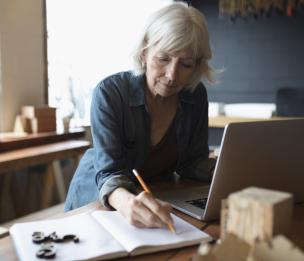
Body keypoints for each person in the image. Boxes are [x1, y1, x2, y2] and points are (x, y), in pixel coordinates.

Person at [64, 2, 217, 229]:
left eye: (185, 64)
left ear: (196, 66)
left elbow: (191, 162)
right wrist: (127, 203)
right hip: (98, 200)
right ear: (144, 53)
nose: (172, 75)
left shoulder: (194, 95)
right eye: (163, 59)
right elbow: (109, 174)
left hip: (151, 197)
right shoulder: (110, 93)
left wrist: (225, 170)